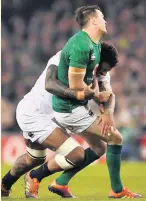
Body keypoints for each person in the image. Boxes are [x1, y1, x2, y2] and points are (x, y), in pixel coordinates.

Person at [24, 5, 141, 199]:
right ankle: (117, 190)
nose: (106, 20)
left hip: (75, 107)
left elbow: (108, 95)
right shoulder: (77, 49)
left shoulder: (96, 50)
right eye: (102, 16)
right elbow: (68, 86)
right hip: (65, 108)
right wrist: (95, 96)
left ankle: (59, 183)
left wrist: (108, 114)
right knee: (116, 138)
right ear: (93, 20)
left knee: (100, 147)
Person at [1, 41, 111, 198]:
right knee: (77, 154)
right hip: (35, 114)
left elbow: (95, 94)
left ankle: (5, 183)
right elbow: (50, 84)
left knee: (34, 158)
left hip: (53, 116)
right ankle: (35, 177)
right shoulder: (64, 58)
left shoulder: (91, 72)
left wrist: (102, 103)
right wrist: (87, 95)